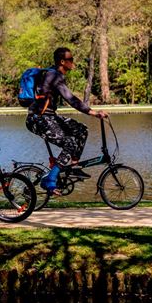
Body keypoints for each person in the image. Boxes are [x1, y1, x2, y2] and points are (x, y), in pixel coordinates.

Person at [25, 47, 108, 195]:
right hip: (38, 119)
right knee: (70, 142)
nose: (73, 62)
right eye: (70, 60)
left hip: (48, 117)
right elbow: (71, 99)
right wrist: (93, 113)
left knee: (81, 130)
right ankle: (49, 180)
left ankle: (74, 166)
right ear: (62, 62)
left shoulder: (52, 74)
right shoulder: (54, 76)